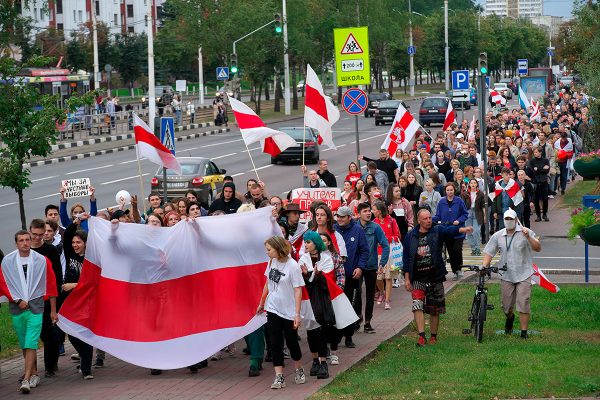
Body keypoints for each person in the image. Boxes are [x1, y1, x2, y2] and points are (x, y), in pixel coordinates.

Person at [402, 209, 473, 346]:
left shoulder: (437, 230)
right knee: (417, 305)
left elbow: (449, 230)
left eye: (430, 217)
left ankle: (433, 336)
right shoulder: (410, 236)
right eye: (425, 219)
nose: (429, 220)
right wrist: (407, 278)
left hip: (435, 276)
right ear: (419, 221)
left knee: (435, 309)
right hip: (417, 278)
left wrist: (463, 229)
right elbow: (407, 259)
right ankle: (421, 336)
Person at [1, 230, 58, 393]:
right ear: (16, 243)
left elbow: (51, 284)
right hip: (17, 306)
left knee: (31, 341)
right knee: (24, 343)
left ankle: (26, 378)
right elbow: (3, 283)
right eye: (21, 240)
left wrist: (53, 310)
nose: (25, 243)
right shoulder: (8, 261)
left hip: (36, 305)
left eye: (27, 239)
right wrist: (17, 300)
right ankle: (34, 373)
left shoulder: (41, 260)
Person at [256, 236, 307, 390]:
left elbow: (298, 290)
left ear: (278, 249)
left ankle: (299, 368)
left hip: (289, 311)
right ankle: (279, 376)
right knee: (275, 343)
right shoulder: (272, 262)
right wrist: (262, 302)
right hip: (272, 308)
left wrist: (297, 314)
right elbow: (267, 283)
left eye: (269, 250)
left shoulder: (293, 266)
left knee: (291, 343)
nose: (267, 253)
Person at [482, 209, 541, 339]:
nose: (508, 222)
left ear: (516, 220)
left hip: (524, 273)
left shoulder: (525, 232)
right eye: (506, 219)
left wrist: (528, 237)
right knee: (506, 306)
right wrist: (484, 266)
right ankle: (510, 317)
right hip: (506, 274)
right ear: (503, 220)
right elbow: (489, 252)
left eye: (511, 219)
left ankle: (523, 332)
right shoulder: (498, 235)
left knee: (523, 301)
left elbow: (538, 248)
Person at [61, 215, 95, 379]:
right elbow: (66, 236)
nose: (75, 245)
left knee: (85, 333)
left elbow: (93, 282)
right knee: (70, 331)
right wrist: (75, 223)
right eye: (74, 243)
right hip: (70, 300)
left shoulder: (92, 259)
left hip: (87, 300)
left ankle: (86, 369)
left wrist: (74, 285)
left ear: (86, 243)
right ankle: (84, 356)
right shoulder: (70, 254)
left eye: (78, 242)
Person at [29, 219, 63, 378]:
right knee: (31, 336)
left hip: (47, 298)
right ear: (29, 231)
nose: (37, 238)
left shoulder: (50, 250)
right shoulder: (25, 249)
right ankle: (30, 370)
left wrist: (54, 300)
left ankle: (50, 365)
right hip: (29, 299)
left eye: (40, 235)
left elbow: (56, 276)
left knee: (49, 334)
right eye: (34, 234)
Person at [333, 206, 369, 348]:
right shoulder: (333, 229)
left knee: (350, 305)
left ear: (349, 217)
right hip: (335, 276)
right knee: (336, 306)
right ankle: (335, 335)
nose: (340, 219)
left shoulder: (358, 230)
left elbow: (364, 251)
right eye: (338, 216)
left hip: (351, 275)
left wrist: (360, 267)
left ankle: (348, 336)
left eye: (343, 216)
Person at [355, 202, 390, 334]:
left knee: (370, 295)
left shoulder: (375, 228)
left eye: (369, 210)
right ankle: (358, 318)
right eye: (364, 211)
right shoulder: (354, 227)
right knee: (356, 294)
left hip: (371, 266)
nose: (368, 213)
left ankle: (368, 322)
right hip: (357, 267)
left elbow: (385, 245)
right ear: (359, 214)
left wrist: (382, 263)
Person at [433, 183, 469, 280]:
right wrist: (431, 219)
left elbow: (465, 214)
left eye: (451, 190)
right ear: (445, 191)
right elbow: (438, 215)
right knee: (450, 252)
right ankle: (454, 270)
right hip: (446, 230)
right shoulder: (441, 202)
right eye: (448, 190)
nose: (449, 192)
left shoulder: (459, 201)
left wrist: (459, 220)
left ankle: (459, 269)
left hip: (458, 231)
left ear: (454, 190)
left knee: (457, 250)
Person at [371, 201, 400, 310]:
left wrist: (384, 240)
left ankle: (387, 300)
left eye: (373, 209)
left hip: (389, 254)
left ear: (379, 210)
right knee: (378, 277)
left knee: (388, 277)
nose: (372, 211)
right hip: (376, 254)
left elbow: (397, 237)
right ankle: (382, 293)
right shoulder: (373, 222)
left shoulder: (392, 221)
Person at [461, 179, 485, 256]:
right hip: (468, 212)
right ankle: (473, 248)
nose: (473, 184)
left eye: (475, 183)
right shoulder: (465, 194)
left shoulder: (480, 193)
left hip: (477, 212)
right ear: (469, 184)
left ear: (477, 184)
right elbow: (462, 205)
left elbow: (483, 206)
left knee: (476, 231)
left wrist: (484, 216)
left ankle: (478, 248)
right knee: (469, 231)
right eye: (472, 183)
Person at [528, 147, 551, 222]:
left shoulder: (545, 160)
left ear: (540, 152)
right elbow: (532, 171)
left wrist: (537, 169)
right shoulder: (532, 161)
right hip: (536, 182)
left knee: (545, 199)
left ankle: (544, 214)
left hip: (544, 181)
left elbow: (547, 170)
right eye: (534, 152)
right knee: (536, 199)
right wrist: (542, 169)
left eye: (536, 152)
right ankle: (538, 215)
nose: (535, 154)